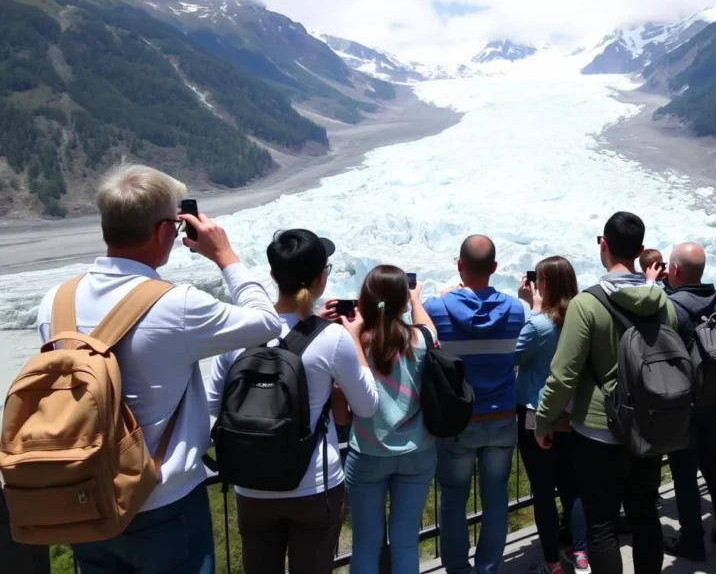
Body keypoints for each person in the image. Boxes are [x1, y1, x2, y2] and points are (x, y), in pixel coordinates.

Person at [33, 164, 283, 574]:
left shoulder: (55, 302)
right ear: (165, 231)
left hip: (85, 503)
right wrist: (225, 256)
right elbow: (266, 322)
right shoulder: (177, 304)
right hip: (165, 503)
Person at [206, 230, 379, 574]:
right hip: (314, 485)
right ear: (321, 279)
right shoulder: (333, 339)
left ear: (273, 276)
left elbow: (214, 404)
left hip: (252, 485)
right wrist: (353, 339)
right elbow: (368, 406)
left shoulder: (237, 331)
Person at [535, 212, 678, 574]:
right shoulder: (663, 303)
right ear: (641, 250)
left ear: (604, 245)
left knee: (601, 525)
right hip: (649, 425)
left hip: (599, 429)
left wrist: (544, 421)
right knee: (645, 515)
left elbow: (563, 374)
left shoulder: (587, 304)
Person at [424, 235, 528, 574]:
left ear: (459, 265)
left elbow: (423, 337)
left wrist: (440, 297)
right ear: (495, 268)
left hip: (458, 421)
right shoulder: (515, 308)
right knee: (496, 497)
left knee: (453, 498)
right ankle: (487, 569)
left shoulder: (438, 308)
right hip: (501, 417)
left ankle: (457, 569)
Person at [335, 265, 441, 574]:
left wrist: (353, 334)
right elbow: (429, 329)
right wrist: (415, 298)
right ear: (402, 303)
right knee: (406, 540)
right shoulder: (420, 340)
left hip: (367, 454)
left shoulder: (355, 343)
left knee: (366, 543)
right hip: (417, 451)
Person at [661, 242, 716, 561]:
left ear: (676, 270)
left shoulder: (670, 307)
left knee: (684, 472)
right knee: (715, 470)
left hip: (682, 402)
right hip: (714, 397)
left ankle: (692, 541)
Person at [515, 257, 590, 574]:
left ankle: (551, 564)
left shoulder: (538, 325)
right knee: (573, 488)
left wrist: (530, 309)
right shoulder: (582, 318)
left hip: (536, 415)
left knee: (543, 492)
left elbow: (514, 357)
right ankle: (582, 554)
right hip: (574, 415)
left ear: (544, 283)